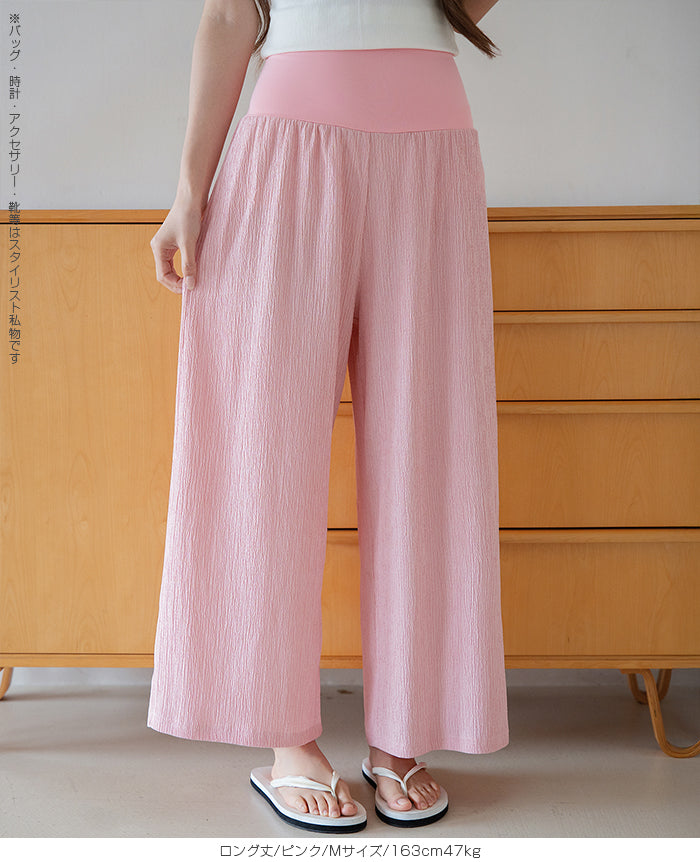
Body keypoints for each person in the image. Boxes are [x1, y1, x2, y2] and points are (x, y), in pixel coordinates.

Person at [148, 0, 507, 834]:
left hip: (432, 151)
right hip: (285, 150)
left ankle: (405, 732)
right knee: (260, 444)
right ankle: (283, 739)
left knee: (433, 447)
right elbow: (230, 15)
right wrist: (189, 193)